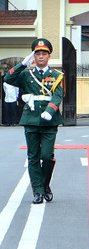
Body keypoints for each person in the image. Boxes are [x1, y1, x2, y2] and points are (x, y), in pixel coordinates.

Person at [4, 38, 64, 204]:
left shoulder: (56, 75)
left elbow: (58, 95)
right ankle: (37, 191)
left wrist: (50, 110)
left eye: (44, 53)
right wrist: (22, 64)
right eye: (37, 54)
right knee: (33, 157)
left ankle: (45, 185)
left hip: (49, 121)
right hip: (31, 119)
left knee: (47, 155)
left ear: (49, 56)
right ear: (34, 56)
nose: (41, 57)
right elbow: (8, 79)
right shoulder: (26, 74)